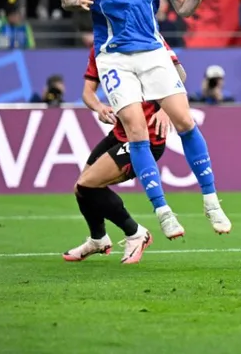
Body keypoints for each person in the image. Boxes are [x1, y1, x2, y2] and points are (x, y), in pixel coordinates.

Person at [61, 0, 232, 239]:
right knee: (136, 131)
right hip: (114, 57)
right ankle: (162, 211)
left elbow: (182, 7)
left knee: (184, 121)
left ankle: (211, 200)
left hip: (153, 50)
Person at [63, 44, 184, 264]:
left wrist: (167, 109)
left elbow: (179, 74)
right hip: (120, 133)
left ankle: (136, 233)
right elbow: (87, 93)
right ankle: (98, 239)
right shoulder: (100, 48)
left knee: (88, 185)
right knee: (80, 189)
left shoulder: (147, 36)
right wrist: (99, 108)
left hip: (146, 139)